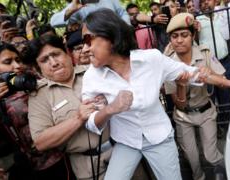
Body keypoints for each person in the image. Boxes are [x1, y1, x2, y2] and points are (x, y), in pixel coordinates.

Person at [80, 8, 220, 180]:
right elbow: (91, 122)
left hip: (160, 138)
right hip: (126, 142)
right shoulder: (91, 77)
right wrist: (110, 109)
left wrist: (229, 82)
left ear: (110, 36)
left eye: (88, 40)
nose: (84, 49)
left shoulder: (150, 59)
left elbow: (191, 73)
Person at [164, 13, 230, 180]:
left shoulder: (204, 53)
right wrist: (181, 86)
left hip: (205, 112)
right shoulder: (168, 64)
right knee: (192, 158)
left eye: (185, 35)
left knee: (211, 155)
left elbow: (221, 80)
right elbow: (179, 105)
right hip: (183, 117)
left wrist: (218, 76)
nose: (179, 40)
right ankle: (199, 177)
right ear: (170, 39)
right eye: (174, 36)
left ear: (193, 36)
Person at [0, 43, 75, 180]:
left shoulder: (34, 79)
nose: (17, 65)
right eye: (8, 62)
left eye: (18, 60)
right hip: (31, 169)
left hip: (66, 156)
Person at [27, 35, 112, 180]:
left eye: (56, 54)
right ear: (38, 68)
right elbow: (41, 142)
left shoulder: (94, 72)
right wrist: (77, 119)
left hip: (124, 148)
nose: (53, 63)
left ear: (67, 53)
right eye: (44, 60)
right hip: (89, 168)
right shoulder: (39, 96)